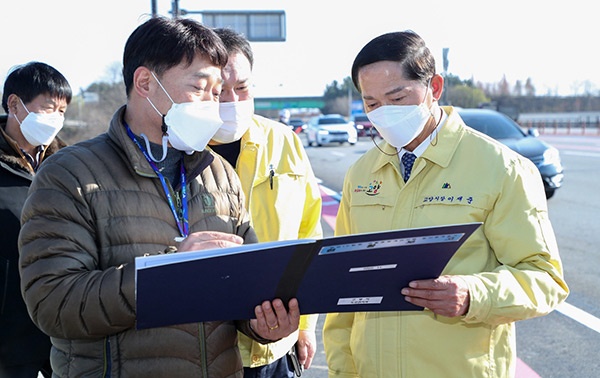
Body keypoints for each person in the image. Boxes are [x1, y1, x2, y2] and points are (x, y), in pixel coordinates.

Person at [18, 17, 300, 378]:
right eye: (200, 88)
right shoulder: (68, 174)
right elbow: (53, 304)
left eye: (217, 92)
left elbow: (245, 286)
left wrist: (261, 324)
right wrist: (165, 272)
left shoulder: (220, 174)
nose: (212, 105)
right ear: (146, 82)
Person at [322, 30, 569, 378]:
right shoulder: (361, 175)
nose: (384, 113)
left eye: (397, 97)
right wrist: (342, 371)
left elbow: (544, 279)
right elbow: (343, 288)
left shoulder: (501, 168)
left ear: (434, 88)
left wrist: (473, 294)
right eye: (372, 103)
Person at [210, 28, 323, 377]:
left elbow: (309, 230)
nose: (232, 101)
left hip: (276, 344)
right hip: (205, 348)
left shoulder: (283, 141)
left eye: (242, 88)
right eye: (218, 92)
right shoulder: (175, 147)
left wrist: (305, 326)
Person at [0, 61, 71, 378]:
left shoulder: (70, 166)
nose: (55, 119)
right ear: (14, 104)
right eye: (47, 108)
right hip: (9, 327)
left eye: (62, 111)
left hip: (63, 324)